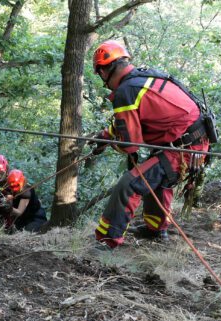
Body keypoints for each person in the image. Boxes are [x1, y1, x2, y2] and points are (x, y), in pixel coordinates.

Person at [89, 40, 211, 248]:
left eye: (99, 74)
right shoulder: (142, 78)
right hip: (190, 142)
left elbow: (130, 145)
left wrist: (113, 144)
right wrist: (105, 135)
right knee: (158, 181)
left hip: (184, 149)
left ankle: (108, 241)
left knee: (128, 184)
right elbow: (130, 122)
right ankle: (155, 229)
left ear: (104, 71)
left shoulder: (126, 91)